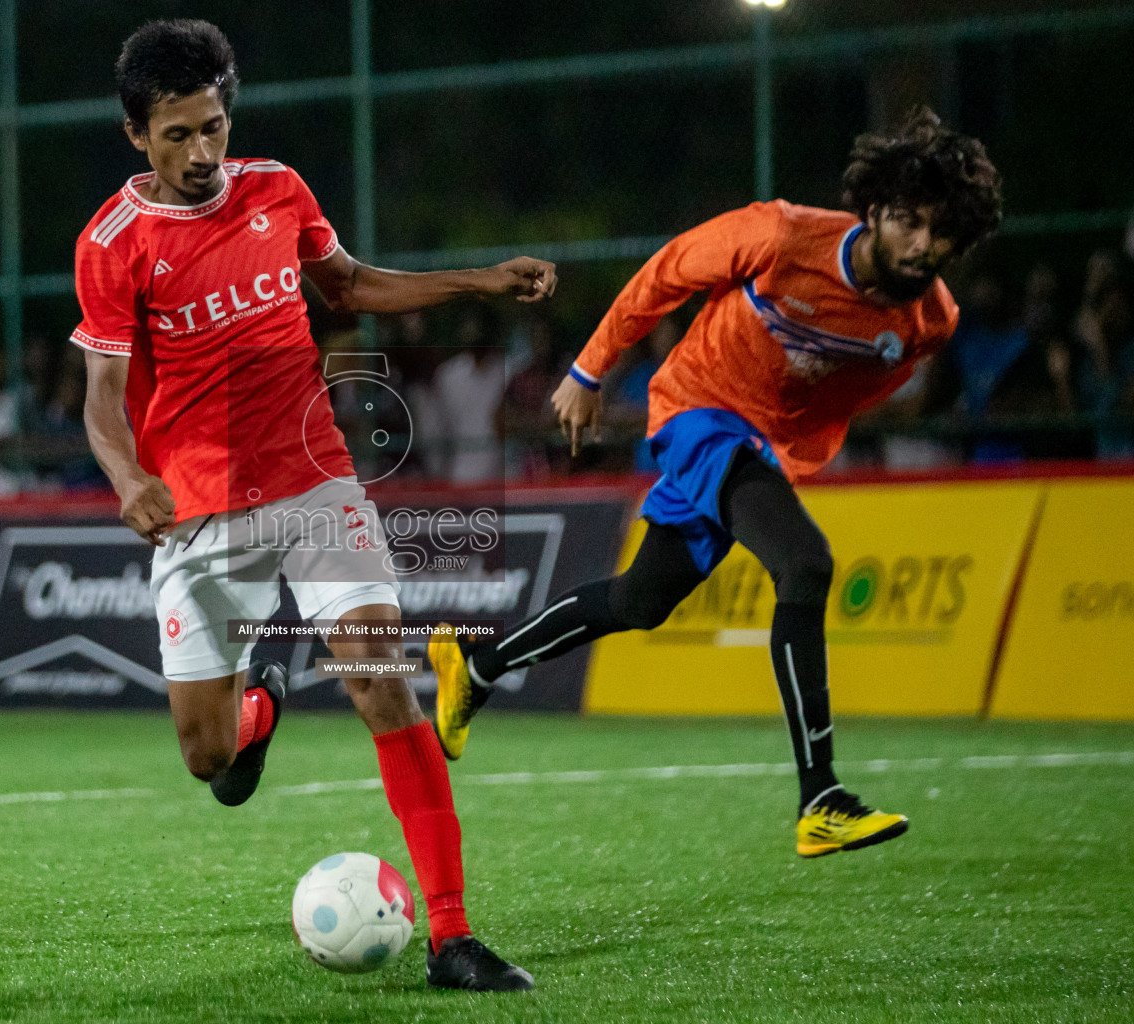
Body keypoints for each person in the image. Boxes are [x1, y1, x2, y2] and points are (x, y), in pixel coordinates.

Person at [74, 19, 555, 991]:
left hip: (313, 479)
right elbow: (99, 400)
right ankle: (254, 710)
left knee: (383, 679)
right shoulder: (113, 246)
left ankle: (452, 935)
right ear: (137, 135)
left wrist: (475, 279)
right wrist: (130, 482)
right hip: (198, 509)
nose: (203, 153)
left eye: (213, 126)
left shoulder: (277, 189)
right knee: (208, 757)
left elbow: (346, 285)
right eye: (177, 134)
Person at [432, 108, 1003, 860]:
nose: (922, 245)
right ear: (875, 209)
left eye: (943, 234)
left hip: (753, 445)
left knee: (643, 600)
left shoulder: (931, 321)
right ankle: (822, 798)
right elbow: (667, 272)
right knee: (805, 563)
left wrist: (792, 444)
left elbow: (848, 386)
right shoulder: (783, 236)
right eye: (909, 222)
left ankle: (475, 666)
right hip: (698, 409)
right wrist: (588, 369)